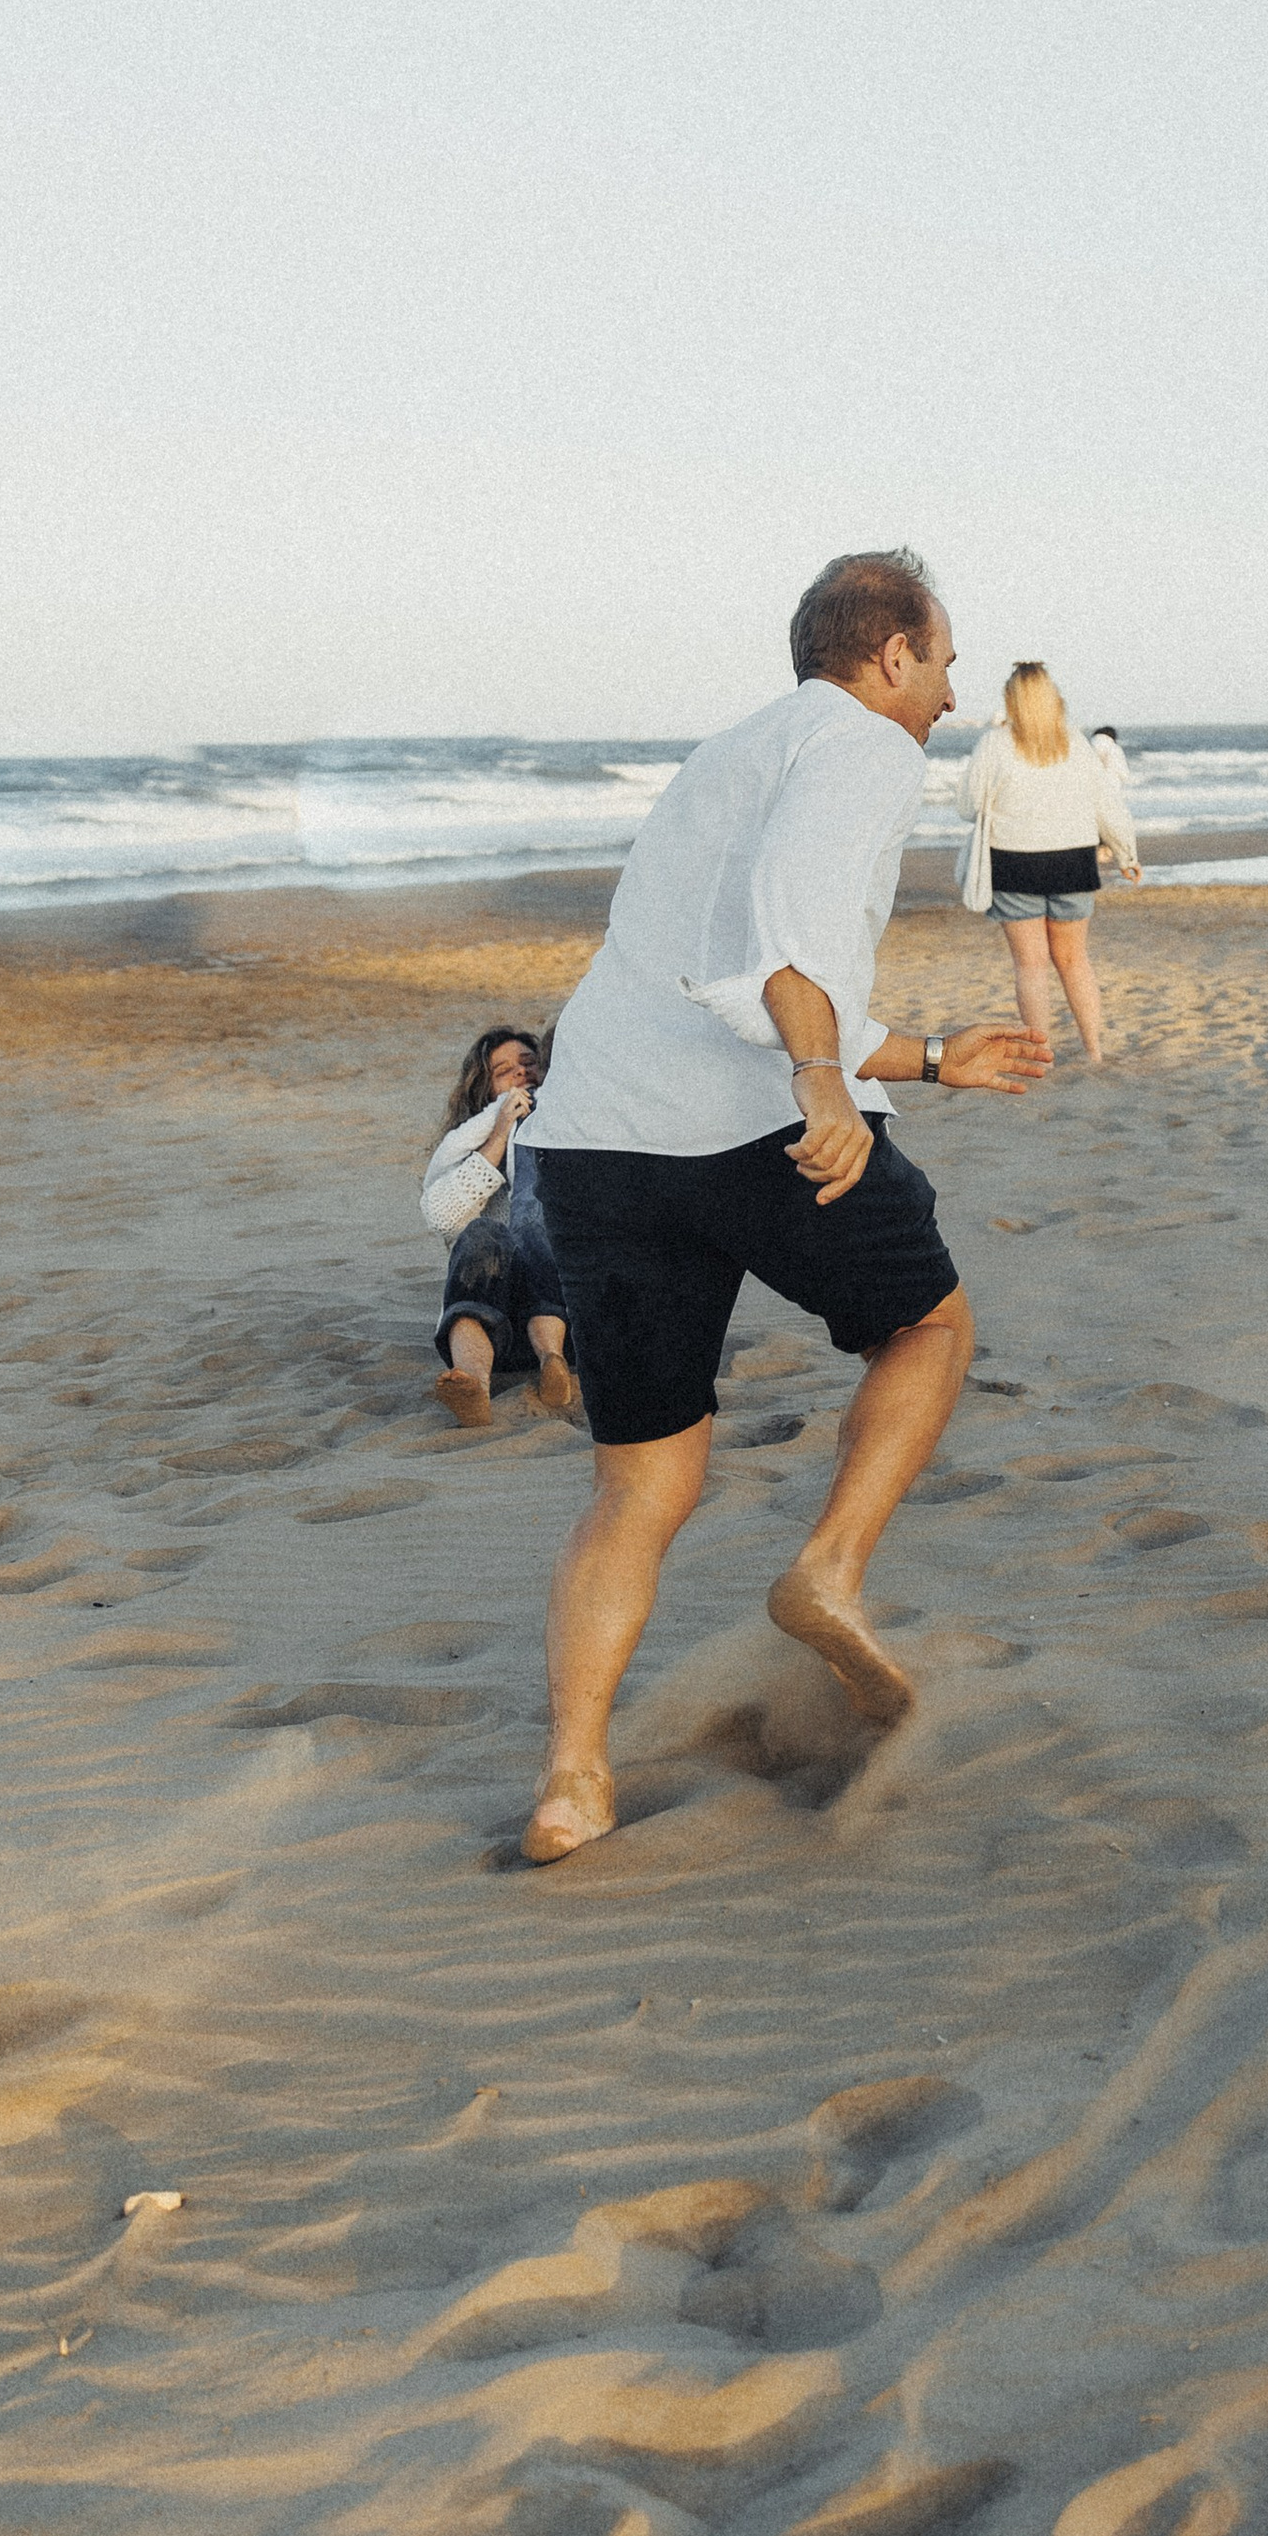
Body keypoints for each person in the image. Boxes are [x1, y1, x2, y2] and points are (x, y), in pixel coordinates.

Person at [518, 548, 1051, 1865]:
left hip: (592, 1136)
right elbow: (785, 939)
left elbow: (718, 963)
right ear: (890, 657)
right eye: (941, 661)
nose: (948, 690)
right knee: (927, 1330)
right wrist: (821, 1080)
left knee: (641, 1479)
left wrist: (924, 1060)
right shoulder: (868, 749)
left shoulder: (730, 752)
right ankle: (828, 1570)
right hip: (757, 1118)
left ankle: (573, 1785)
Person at [957, 663, 1140, 1064]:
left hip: (1014, 864)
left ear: (1012, 701)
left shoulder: (994, 743)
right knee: (1075, 963)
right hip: (1073, 864)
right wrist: (1126, 854)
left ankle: (1043, 1056)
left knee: (1031, 967)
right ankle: (1093, 1050)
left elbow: (968, 806)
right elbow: (1107, 804)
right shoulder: (1074, 743)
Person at [421, 1026, 578, 1426]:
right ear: (486, 1090)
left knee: (537, 1227)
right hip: (499, 1330)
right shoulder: (473, 1145)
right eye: (504, 1071)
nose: (521, 1075)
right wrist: (499, 1135)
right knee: (482, 1233)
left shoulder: (571, 1132)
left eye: (528, 1063)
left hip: (569, 1323)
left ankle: (552, 1361)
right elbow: (443, 1217)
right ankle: (471, 1382)